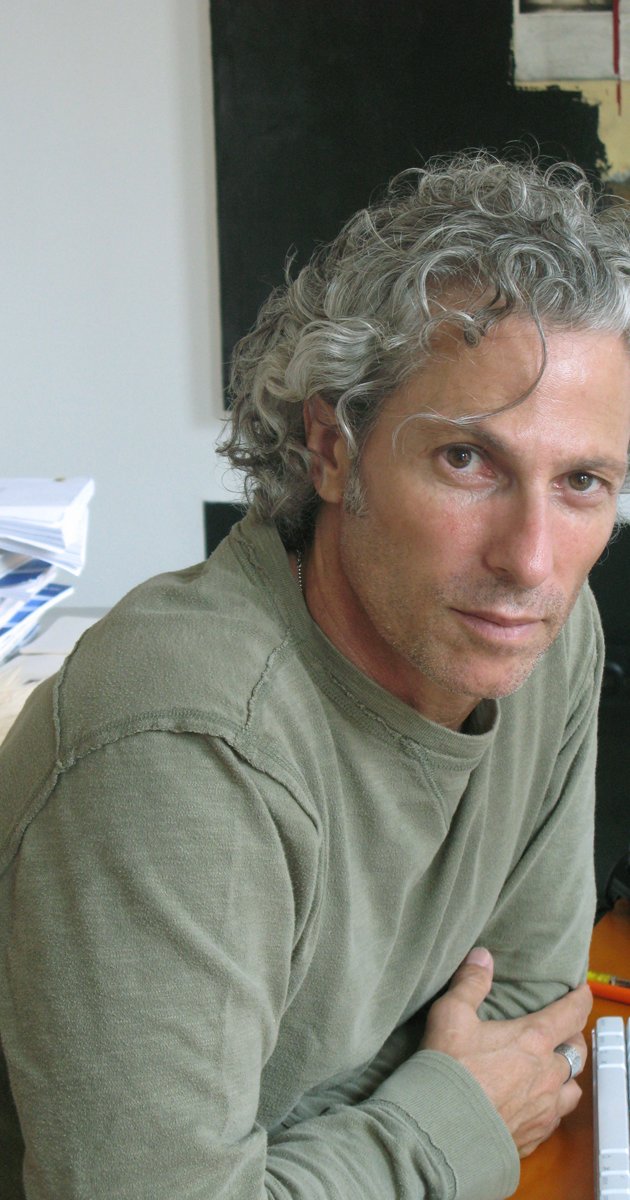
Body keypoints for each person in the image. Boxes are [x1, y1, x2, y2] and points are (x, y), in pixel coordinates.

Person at [1, 152, 630, 1200]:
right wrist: (441, 1119)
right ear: (333, 448)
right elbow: (482, 1094)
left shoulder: (546, 639)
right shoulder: (182, 745)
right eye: (467, 461)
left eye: (583, 482)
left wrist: (351, 1138)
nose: (531, 561)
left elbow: (529, 1016)